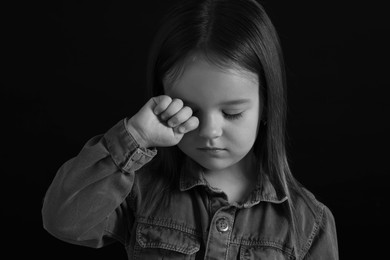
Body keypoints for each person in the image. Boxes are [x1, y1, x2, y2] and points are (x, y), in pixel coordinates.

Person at [42, 0, 338, 259]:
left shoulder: (309, 224)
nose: (209, 131)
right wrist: (136, 135)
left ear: (266, 106)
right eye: (190, 110)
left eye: (232, 113)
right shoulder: (139, 189)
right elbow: (63, 220)